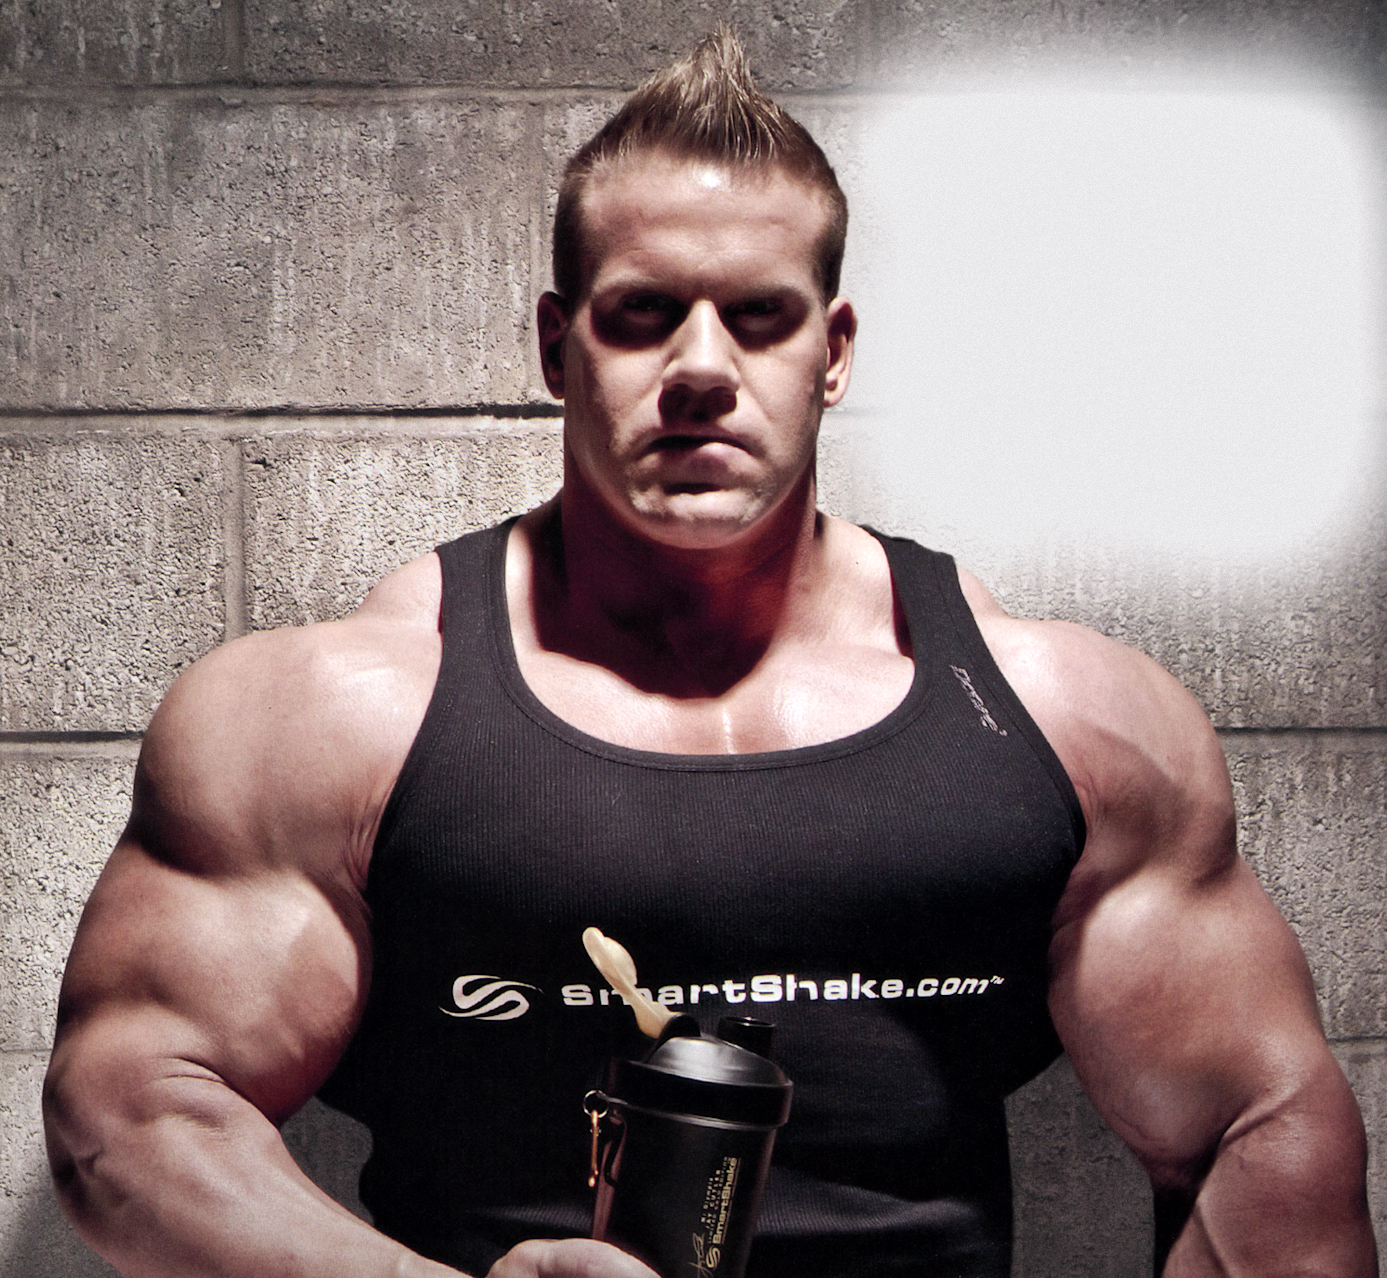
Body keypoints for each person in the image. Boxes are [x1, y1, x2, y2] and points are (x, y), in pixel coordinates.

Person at [44, 29, 1375, 1278]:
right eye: (640, 314)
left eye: (759, 316)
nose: (699, 367)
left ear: (832, 352)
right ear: (556, 345)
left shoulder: (1067, 723)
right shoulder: (331, 720)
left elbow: (1260, 1124)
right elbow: (130, 1112)